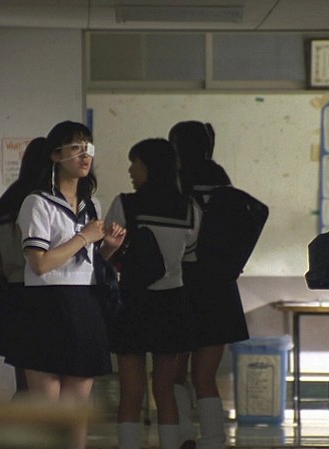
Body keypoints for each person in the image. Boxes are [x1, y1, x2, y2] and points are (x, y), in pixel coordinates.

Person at [14, 121, 125, 449]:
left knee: (77, 411)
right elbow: (40, 263)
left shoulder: (92, 205)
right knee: (48, 413)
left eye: (88, 148)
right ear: (55, 155)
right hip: (45, 305)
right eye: (76, 148)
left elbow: (86, 262)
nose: (84, 155)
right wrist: (84, 237)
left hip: (84, 304)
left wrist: (108, 249)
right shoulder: (37, 203)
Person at [104, 138, 201, 449]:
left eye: (135, 163)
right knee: (165, 390)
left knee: (131, 393)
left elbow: (106, 253)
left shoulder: (125, 204)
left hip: (132, 302)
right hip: (172, 303)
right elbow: (190, 256)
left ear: (148, 166)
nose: (131, 170)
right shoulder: (190, 209)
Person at [167, 121, 249, 449]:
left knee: (174, 373)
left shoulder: (175, 184)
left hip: (181, 284)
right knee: (205, 376)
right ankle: (214, 440)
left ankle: (183, 435)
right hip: (219, 288)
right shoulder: (223, 182)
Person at [0, 136, 51, 398]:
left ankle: (19, 424)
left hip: (15, 302)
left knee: (25, 387)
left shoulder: (0, 208)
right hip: (49, 298)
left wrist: (3, 303)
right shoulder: (48, 206)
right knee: (50, 390)